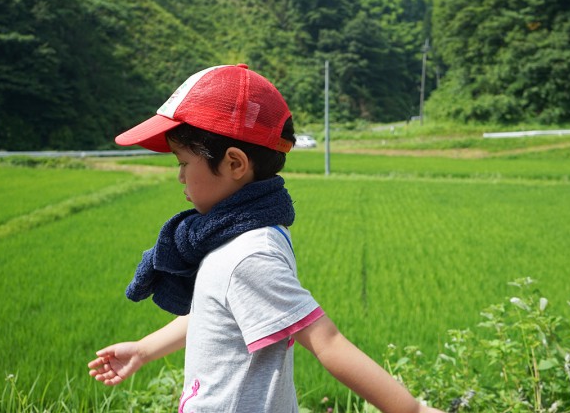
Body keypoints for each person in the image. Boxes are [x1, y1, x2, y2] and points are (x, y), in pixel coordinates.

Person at [87, 64, 444, 413]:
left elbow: (327, 342)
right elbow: (220, 313)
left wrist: (413, 409)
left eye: (183, 162)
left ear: (235, 164)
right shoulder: (246, 233)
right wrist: (145, 349)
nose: (180, 176)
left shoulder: (248, 255)